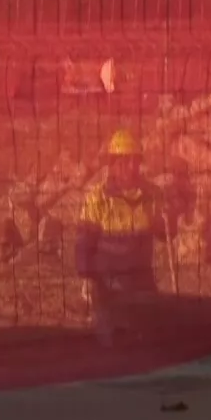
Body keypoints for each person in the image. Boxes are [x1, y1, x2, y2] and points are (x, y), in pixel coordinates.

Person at [75, 128, 162, 346]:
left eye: (135, 161)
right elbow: (84, 242)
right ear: (113, 165)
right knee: (112, 341)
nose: (132, 168)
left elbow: (164, 234)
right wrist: (86, 276)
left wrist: (167, 221)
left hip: (141, 278)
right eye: (125, 162)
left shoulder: (151, 195)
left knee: (148, 338)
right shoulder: (97, 198)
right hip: (108, 281)